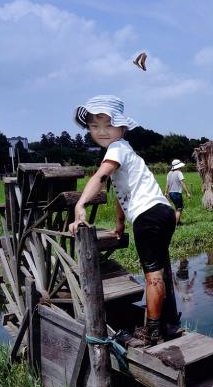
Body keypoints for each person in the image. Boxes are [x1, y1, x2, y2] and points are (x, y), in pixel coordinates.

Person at [68, 95, 180, 346]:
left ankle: (151, 333)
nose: (101, 132)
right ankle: (169, 325)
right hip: (164, 212)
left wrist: (80, 205)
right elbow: (121, 193)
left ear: (122, 128)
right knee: (160, 269)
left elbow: (101, 176)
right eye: (95, 126)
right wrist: (120, 224)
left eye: (108, 125)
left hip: (148, 216)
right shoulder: (126, 152)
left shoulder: (117, 149)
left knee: (153, 275)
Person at [165, 159, 191, 226]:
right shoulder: (179, 173)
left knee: (177, 208)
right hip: (177, 193)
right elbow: (182, 183)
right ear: (178, 166)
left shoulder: (169, 173)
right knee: (179, 209)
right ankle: (175, 225)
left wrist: (166, 192)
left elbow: (167, 184)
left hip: (171, 193)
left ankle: (178, 222)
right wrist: (187, 192)